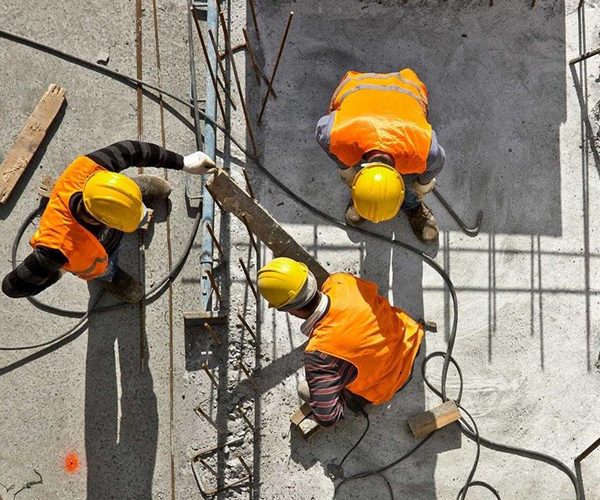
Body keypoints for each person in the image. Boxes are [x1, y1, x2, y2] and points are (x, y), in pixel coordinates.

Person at [2, 140, 215, 303]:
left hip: (111, 199)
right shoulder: (56, 248)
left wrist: (183, 162)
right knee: (105, 269)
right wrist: (61, 270)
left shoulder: (89, 168)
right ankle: (109, 277)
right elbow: (12, 287)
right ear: (104, 221)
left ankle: (134, 192)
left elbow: (133, 150)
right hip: (97, 260)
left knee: (136, 192)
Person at [257, 257, 424, 428]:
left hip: (388, 383)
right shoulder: (341, 281)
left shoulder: (319, 354)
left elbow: (328, 417)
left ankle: (354, 399)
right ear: (311, 278)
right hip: (409, 338)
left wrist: (334, 384)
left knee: (304, 389)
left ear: (290, 310)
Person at [315, 69, 446, 243]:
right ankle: (366, 198)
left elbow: (438, 162)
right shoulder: (335, 135)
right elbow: (323, 132)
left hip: (405, 87)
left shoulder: (424, 151)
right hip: (356, 85)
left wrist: (420, 187)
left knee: (412, 182)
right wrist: (346, 170)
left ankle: (411, 204)